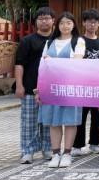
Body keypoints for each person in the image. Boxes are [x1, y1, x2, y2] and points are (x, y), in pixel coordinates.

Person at [35, 11, 86, 169]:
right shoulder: (49, 43)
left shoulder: (78, 41)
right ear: (57, 25)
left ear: (73, 25)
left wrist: (52, 62)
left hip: (70, 86)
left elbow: (76, 63)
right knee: (53, 121)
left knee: (70, 121)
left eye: (69, 23)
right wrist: (39, 89)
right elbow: (43, 67)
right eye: (62, 23)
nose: (65, 26)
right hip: (51, 88)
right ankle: (56, 153)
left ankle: (67, 153)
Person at [15, 7, 54, 164]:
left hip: (51, 88)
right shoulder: (27, 41)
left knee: (49, 120)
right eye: (41, 18)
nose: (44, 21)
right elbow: (19, 63)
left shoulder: (57, 41)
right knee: (29, 121)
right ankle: (27, 151)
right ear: (36, 22)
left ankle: (48, 148)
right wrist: (19, 85)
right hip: (30, 86)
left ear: (53, 21)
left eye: (47, 18)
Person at [72, 8, 99, 156]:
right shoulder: (78, 41)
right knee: (80, 116)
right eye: (89, 22)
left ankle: (95, 143)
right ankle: (77, 145)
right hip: (82, 85)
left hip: (98, 85)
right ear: (84, 23)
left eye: (95, 22)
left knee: (98, 116)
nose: (92, 25)